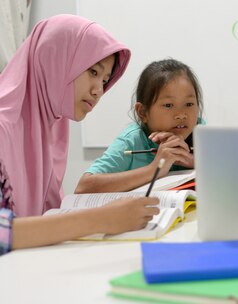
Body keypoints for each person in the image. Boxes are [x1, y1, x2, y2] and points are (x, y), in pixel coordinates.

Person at [0, 15, 159, 255]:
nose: (98, 90)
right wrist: (102, 219)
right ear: (54, 60)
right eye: (93, 72)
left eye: (105, 80)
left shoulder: (49, 129)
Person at [75, 59, 203, 193]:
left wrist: (194, 162)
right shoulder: (131, 140)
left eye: (189, 104)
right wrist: (155, 169)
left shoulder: (200, 132)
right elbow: (83, 188)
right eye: (168, 105)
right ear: (143, 112)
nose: (181, 115)